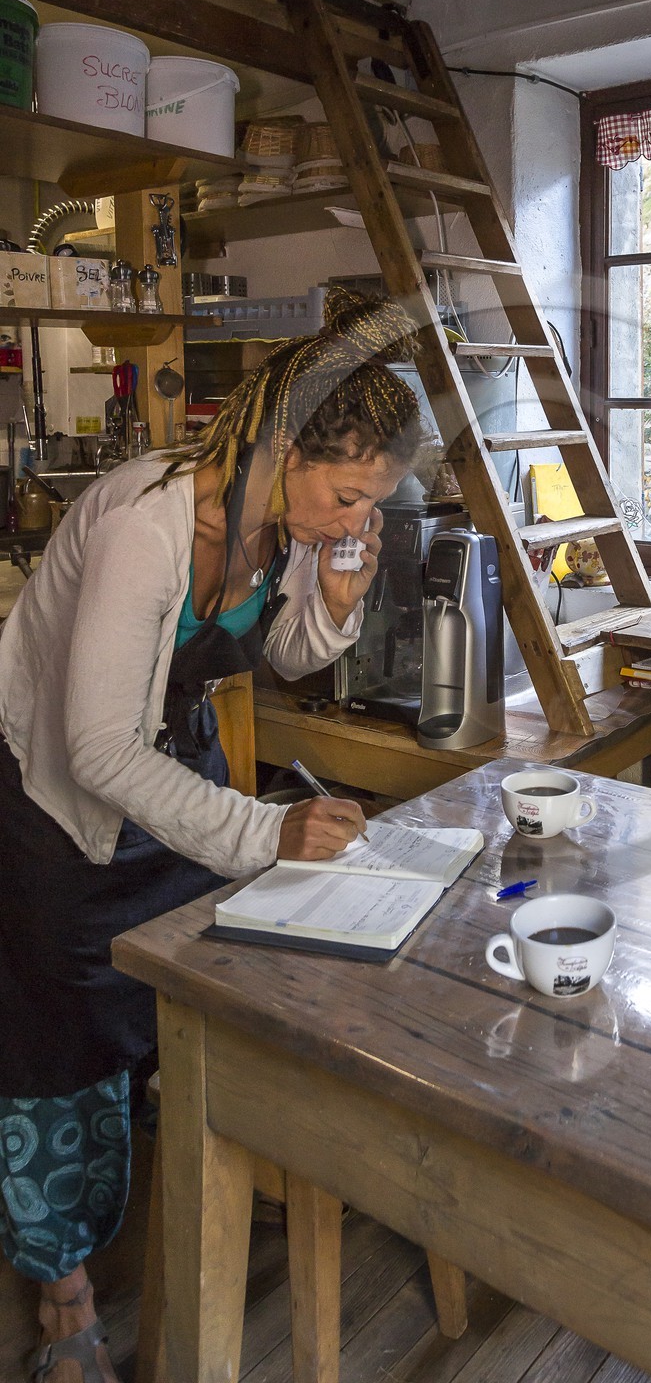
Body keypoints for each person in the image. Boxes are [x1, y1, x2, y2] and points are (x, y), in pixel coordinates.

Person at [0, 290, 426, 1383]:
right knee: (62, 1055)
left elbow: (278, 651)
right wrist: (267, 826)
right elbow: (95, 749)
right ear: (285, 449)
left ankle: (188, 1211)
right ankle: (69, 1306)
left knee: (179, 1004)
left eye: (369, 505)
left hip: (170, 774)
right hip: (57, 804)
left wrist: (336, 597)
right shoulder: (147, 522)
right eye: (342, 498)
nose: (351, 521)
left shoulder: (279, 520)